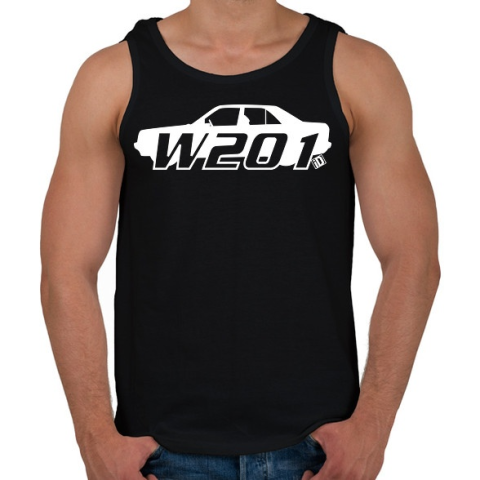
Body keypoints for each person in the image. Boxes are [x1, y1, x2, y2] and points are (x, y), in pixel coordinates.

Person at [39, 1, 440, 479]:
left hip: (319, 452)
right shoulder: (113, 77)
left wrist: (373, 425)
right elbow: (66, 268)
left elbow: (413, 257)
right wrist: (94, 437)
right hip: (157, 454)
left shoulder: (356, 70)